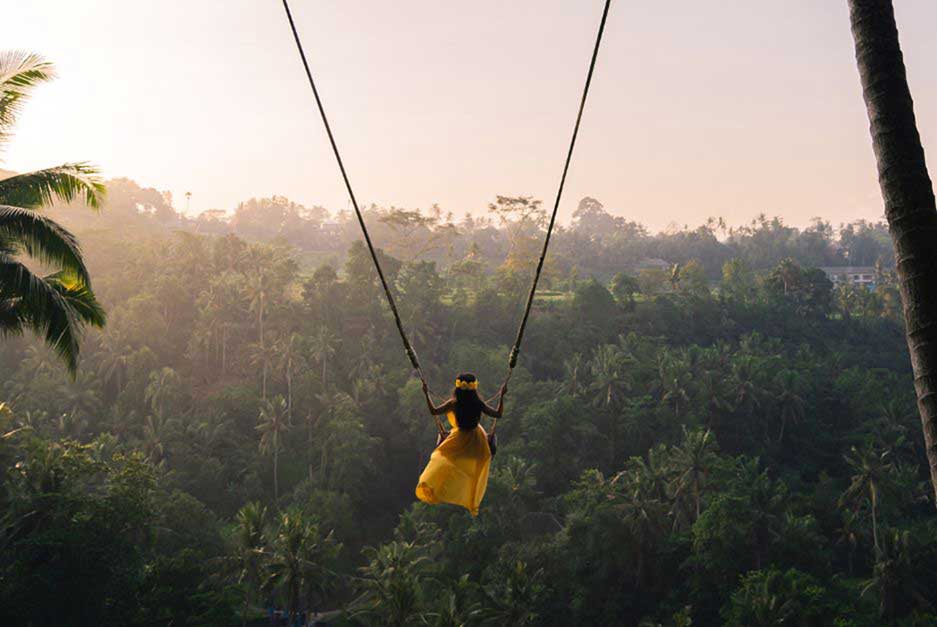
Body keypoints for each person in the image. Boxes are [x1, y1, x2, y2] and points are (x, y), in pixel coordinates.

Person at [415, 373, 506, 516]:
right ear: (474, 388)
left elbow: (434, 411)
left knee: (440, 452)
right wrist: (502, 396)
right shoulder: (478, 403)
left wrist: (426, 394)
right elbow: (498, 414)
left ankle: (439, 486)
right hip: (477, 441)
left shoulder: (454, 403)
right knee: (491, 445)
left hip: (459, 438)